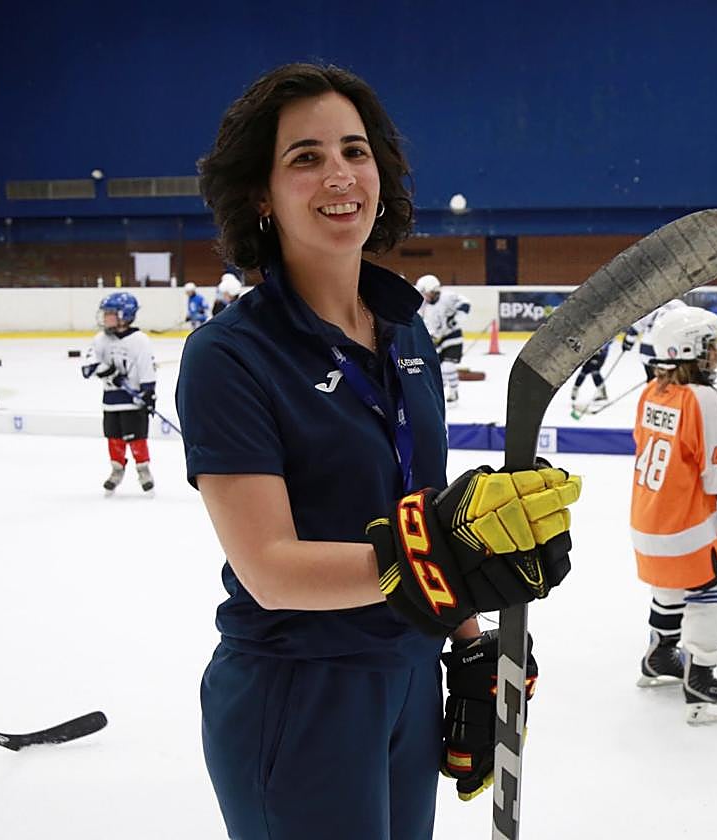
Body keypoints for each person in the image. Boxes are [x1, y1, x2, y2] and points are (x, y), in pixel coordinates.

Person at [180, 63, 580, 840]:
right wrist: (449, 565)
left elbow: (417, 513)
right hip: (300, 692)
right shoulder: (230, 355)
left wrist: (466, 643)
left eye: (355, 151)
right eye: (305, 157)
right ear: (261, 194)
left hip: (409, 676)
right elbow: (270, 569)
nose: (339, 174)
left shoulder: (406, 334)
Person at [630, 306, 717, 725]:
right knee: (708, 590)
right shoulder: (704, 397)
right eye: (709, 346)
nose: (716, 354)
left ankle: (660, 655)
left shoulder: (650, 392)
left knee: (670, 583)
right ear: (690, 351)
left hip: (647, 521)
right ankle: (700, 678)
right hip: (686, 525)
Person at [80, 291, 157, 493]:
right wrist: (108, 372)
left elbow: (146, 368)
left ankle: (143, 470)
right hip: (111, 400)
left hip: (133, 401)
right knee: (113, 437)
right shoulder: (101, 339)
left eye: (110, 313)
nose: (105, 317)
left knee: (137, 437)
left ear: (124, 315)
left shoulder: (140, 340)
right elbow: (88, 367)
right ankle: (117, 470)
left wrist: (148, 393)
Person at [415, 273, 470, 403]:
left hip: (452, 337)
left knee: (448, 367)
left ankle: (453, 391)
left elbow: (466, 305)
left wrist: (455, 320)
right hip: (437, 341)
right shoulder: (423, 306)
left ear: (433, 290)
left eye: (425, 292)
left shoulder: (448, 297)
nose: (424, 296)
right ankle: (443, 389)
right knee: (438, 371)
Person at [622, 298, 686, 381]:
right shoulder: (680, 305)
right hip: (667, 353)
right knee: (668, 382)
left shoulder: (652, 303)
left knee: (654, 382)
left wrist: (628, 342)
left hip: (647, 351)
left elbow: (636, 327)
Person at [570, 340, 612, 408]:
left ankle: (602, 392)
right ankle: (575, 389)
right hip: (590, 351)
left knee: (594, 370)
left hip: (600, 353)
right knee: (584, 371)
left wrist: (601, 348)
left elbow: (609, 339)